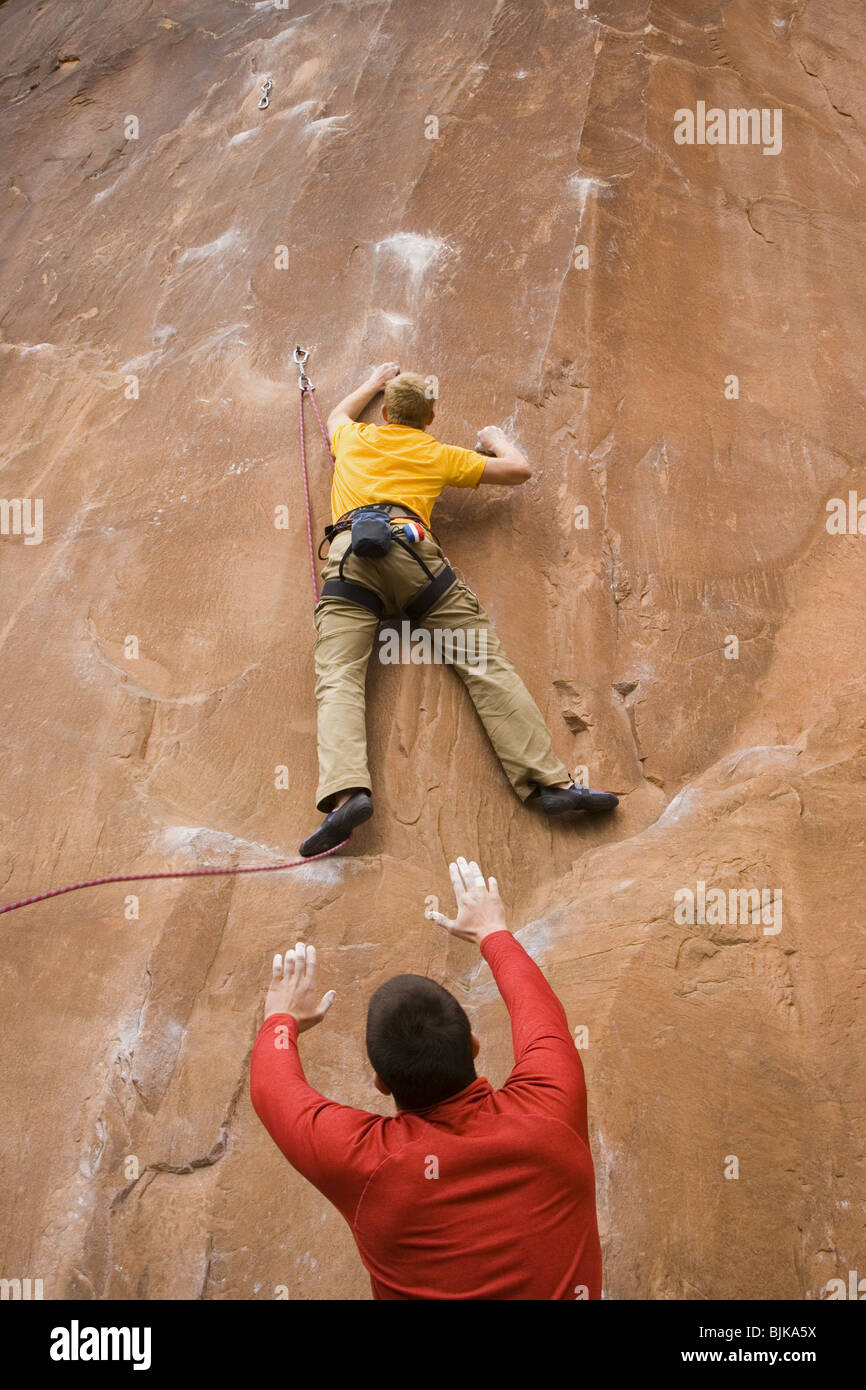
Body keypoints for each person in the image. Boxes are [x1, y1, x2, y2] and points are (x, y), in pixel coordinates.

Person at [299, 363, 618, 856]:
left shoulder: (354, 437)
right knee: (484, 664)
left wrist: (373, 381)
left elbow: (338, 413)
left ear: (384, 411)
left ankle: (347, 795)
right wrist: (494, 437)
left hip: (350, 560)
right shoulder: (436, 452)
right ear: (430, 417)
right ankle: (550, 784)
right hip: (415, 557)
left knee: (339, 676)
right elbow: (519, 471)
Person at [249, 857, 603, 1300]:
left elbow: (271, 1088)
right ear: (473, 1044)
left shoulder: (364, 1164)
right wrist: (491, 932)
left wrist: (282, 1019)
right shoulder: (552, 1106)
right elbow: (539, 1013)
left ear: (380, 1082)